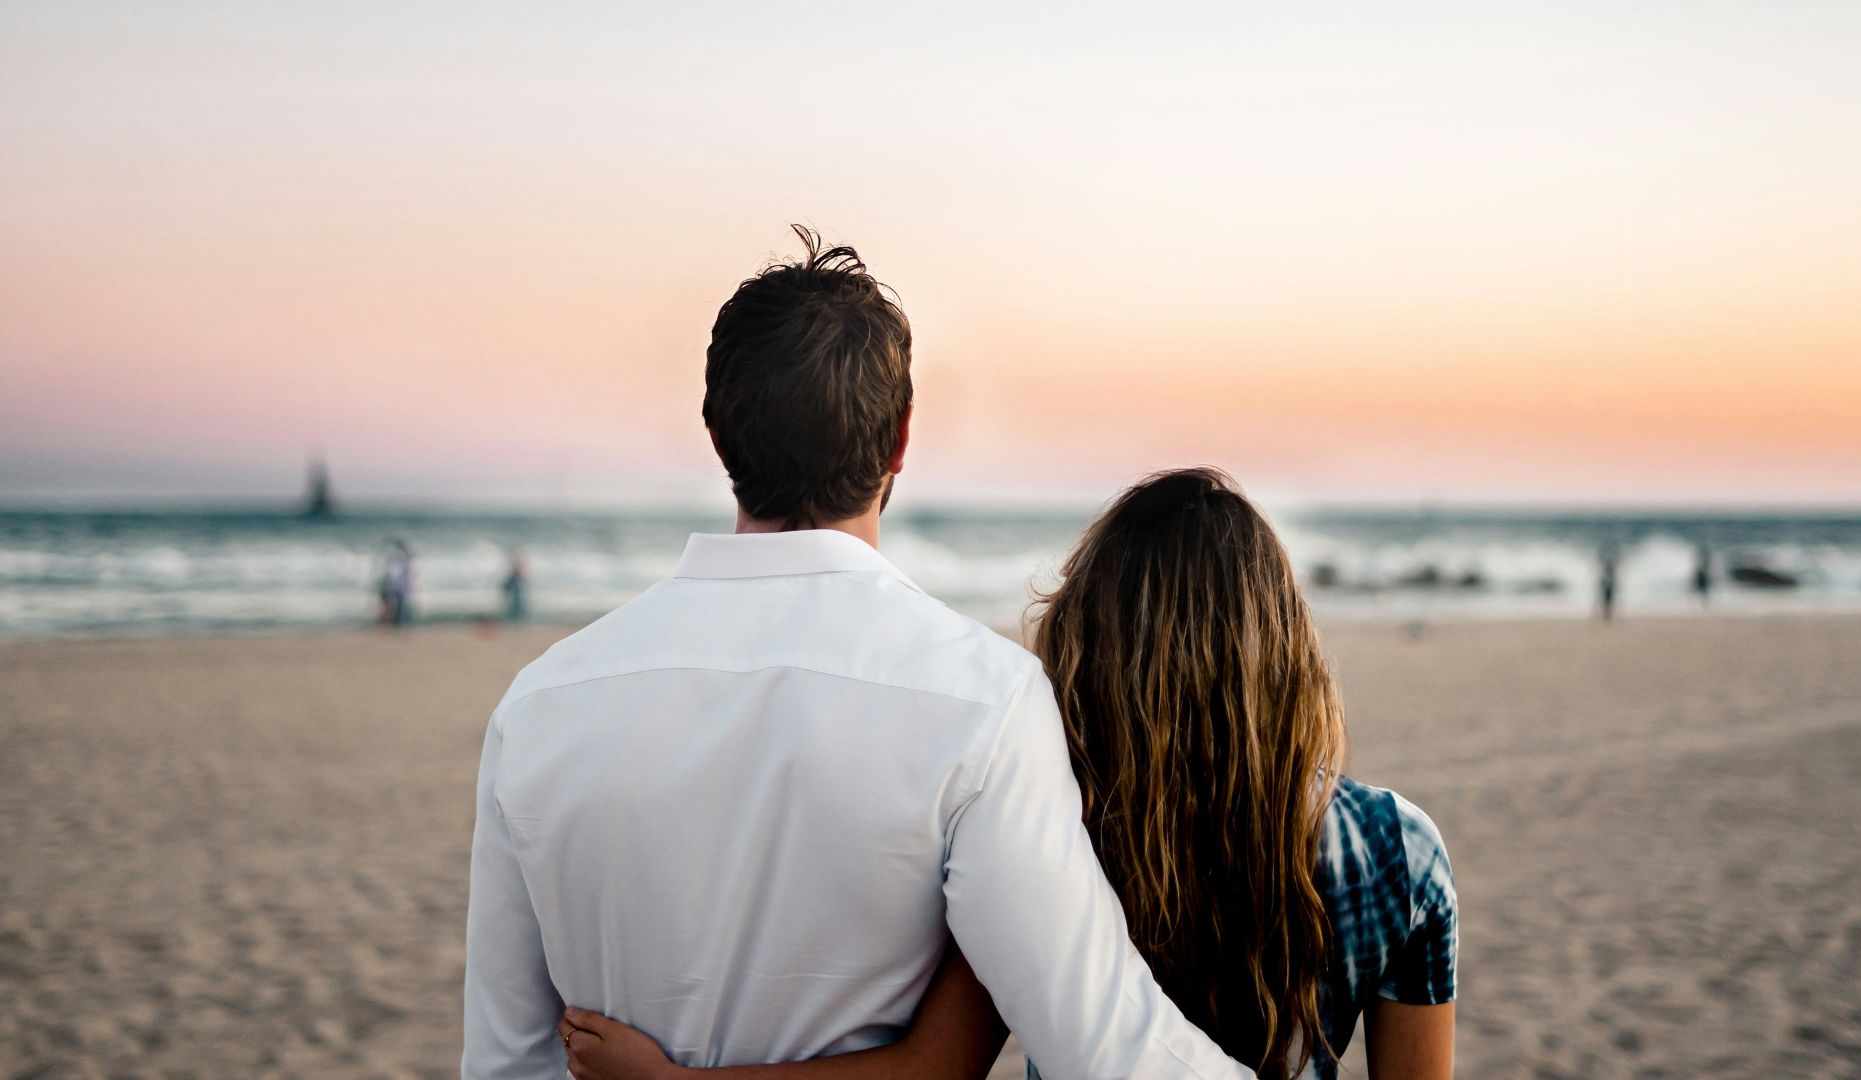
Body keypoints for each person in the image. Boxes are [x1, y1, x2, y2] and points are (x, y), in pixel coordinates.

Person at [462, 230, 1254, 1080]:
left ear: (719, 434)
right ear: (901, 438)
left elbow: (508, 1062)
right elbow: (1105, 1046)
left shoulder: (543, 703)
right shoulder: (982, 700)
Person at [560, 468, 1458, 1080]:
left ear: (1094, 645)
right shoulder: (1400, 852)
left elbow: (932, 1070)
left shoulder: (1050, 821)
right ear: (1283, 648)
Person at [376, 538, 413, 627]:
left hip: (396, 586)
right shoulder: (396, 561)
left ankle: (395, 623)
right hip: (395, 586)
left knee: (395, 606)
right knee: (393, 606)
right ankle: (394, 623)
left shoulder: (398, 561)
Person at [500, 548, 528, 622]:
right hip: (515, 592)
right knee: (516, 604)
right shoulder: (514, 576)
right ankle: (516, 619)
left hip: (516, 593)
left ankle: (516, 619)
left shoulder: (516, 576)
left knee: (517, 604)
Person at [1597, 545, 1618, 622]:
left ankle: (1607, 615)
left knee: (1608, 601)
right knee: (1606, 600)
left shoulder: (1609, 569)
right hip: (1607, 584)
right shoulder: (1607, 569)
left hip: (1608, 584)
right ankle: (1606, 615)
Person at [1692, 543, 1712, 609]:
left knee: (1703, 592)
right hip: (1702, 577)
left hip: (1702, 577)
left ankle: (1700, 604)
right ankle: (1699, 604)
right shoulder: (1704, 565)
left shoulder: (1704, 565)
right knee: (1702, 592)